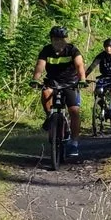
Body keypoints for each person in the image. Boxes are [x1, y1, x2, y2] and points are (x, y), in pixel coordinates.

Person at [34, 26, 86, 157]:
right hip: (53, 82)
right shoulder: (46, 50)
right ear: (51, 40)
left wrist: (82, 79)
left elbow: (79, 65)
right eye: (56, 39)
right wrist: (35, 79)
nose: (59, 42)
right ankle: (50, 117)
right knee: (45, 92)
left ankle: (74, 143)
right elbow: (40, 66)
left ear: (65, 40)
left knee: (74, 111)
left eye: (61, 39)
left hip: (70, 83)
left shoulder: (72, 50)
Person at [88, 37, 111, 121]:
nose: (108, 48)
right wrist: (84, 76)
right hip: (104, 77)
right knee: (98, 91)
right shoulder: (102, 55)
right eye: (106, 47)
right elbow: (93, 65)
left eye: (110, 46)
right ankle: (102, 107)